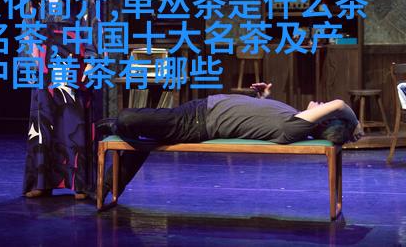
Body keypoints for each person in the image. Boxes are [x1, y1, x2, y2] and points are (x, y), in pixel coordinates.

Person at [97, 83, 363, 196]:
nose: (321, 104)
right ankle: (110, 184)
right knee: (143, 136)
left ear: (320, 122)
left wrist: (355, 124)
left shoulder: (294, 128)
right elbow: (254, 119)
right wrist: (260, 98)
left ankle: (114, 128)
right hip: (197, 111)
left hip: (195, 123)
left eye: (323, 110)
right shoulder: (292, 117)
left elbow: (339, 104)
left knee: (127, 118)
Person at [22, 0, 99, 200]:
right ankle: (41, 183)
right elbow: (28, 24)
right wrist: (28, 56)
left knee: (71, 118)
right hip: (43, 57)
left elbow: (91, 23)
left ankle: (79, 183)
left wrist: (92, 57)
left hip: (71, 56)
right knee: (42, 118)